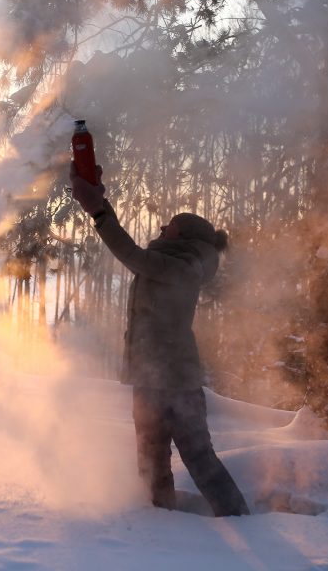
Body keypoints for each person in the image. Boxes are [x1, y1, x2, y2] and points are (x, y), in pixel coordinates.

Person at [70, 164, 250, 517]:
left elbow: (133, 256)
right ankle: (159, 522)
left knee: (198, 456)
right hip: (149, 380)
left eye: (172, 225)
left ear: (184, 236)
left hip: (177, 383)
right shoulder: (169, 262)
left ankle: (240, 520)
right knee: (150, 457)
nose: (163, 227)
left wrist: (99, 211)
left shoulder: (185, 269)